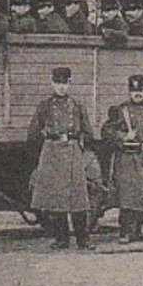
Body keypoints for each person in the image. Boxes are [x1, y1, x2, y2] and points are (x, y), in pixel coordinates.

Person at [27, 67, 97, 250]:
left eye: (65, 83)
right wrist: (46, 142)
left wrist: (80, 142)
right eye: (58, 83)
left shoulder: (78, 106)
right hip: (52, 153)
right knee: (56, 198)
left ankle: (83, 239)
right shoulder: (44, 106)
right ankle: (61, 239)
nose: (61, 87)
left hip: (73, 151)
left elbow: (89, 133)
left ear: (70, 84)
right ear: (52, 84)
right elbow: (32, 134)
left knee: (78, 197)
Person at [100, 74, 143, 243]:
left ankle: (138, 232)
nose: (137, 94)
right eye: (134, 90)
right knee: (127, 197)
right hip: (126, 159)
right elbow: (106, 132)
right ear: (129, 91)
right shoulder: (121, 111)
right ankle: (125, 232)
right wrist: (124, 136)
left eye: (140, 90)